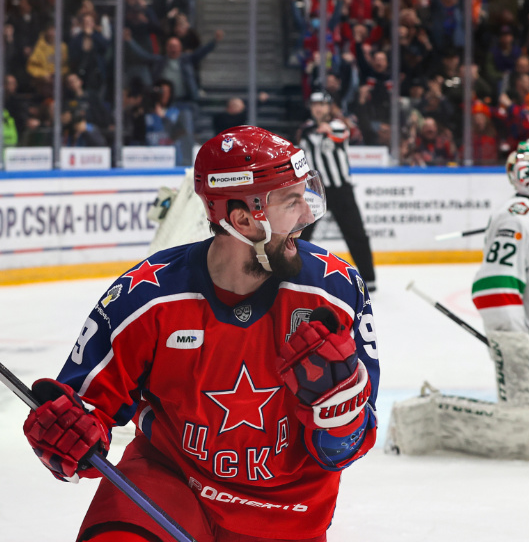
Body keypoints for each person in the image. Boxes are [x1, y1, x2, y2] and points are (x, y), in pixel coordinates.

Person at [22, 126, 379, 542]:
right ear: (243, 219)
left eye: (305, 196)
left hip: (288, 513)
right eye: (290, 202)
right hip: (170, 486)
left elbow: (348, 448)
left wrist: (339, 417)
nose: (306, 216)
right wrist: (66, 437)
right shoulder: (147, 296)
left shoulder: (335, 291)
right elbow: (83, 411)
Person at [386, 141, 529, 461]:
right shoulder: (514, 218)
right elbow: (494, 289)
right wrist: (516, 344)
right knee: (528, 414)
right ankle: (433, 421)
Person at [296, 91, 377, 292]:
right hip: (315, 192)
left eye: (322, 104)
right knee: (300, 233)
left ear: (329, 107)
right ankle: (293, 273)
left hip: (341, 190)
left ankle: (369, 278)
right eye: (315, 105)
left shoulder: (338, 125)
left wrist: (327, 130)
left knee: (356, 233)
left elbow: (340, 134)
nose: (318, 108)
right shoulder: (305, 130)